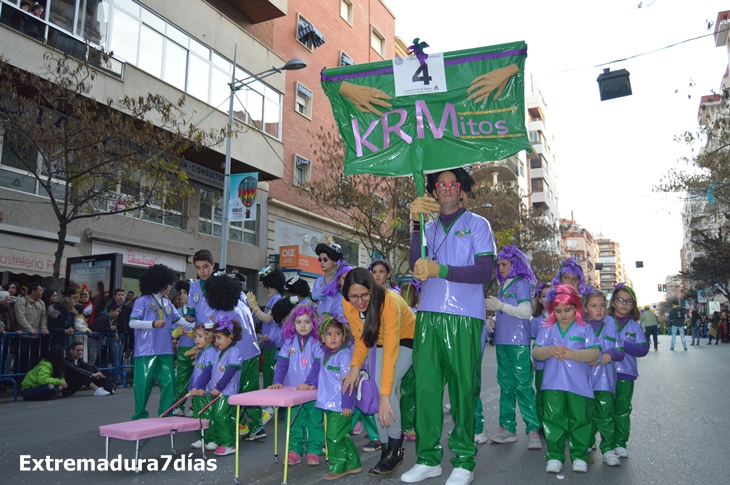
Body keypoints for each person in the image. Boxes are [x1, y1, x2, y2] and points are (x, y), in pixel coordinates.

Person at [401, 168, 495, 485]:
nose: (447, 189)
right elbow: (417, 264)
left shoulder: (478, 225)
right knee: (426, 389)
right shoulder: (426, 227)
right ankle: (428, 459)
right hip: (428, 314)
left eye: (452, 183)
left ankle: (464, 460)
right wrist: (415, 222)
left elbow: (484, 271)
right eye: (440, 184)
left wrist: (441, 269)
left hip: (466, 317)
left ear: (462, 188)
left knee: (463, 390)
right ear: (434, 190)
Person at [341, 268, 416, 476]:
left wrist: (385, 394)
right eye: (354, 296)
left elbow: (392, 349)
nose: (360, 301)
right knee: (375, 391)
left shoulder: (389, 302)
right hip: (378, 342)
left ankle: (396, 448)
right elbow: (361, 339)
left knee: (387, 390)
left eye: (365, 294)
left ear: (373, 288)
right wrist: (355, 367)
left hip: (406, 339)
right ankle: (386, 448)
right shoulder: (347, 303)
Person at [533, 285, 600, 474]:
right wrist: (550, 351)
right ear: (551, 310)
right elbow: (536, 353)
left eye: (568, 309)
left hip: (578, 385)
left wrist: (573, 354)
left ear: (577, 307)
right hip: (552, 384)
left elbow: (595, 352)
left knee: (580, 419)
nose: (563, 314)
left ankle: (579, 456)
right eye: (558, 310)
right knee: (553, 419)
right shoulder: (547, 329)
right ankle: (554, 456)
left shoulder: (585, 329)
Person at [485, 245, 541, 450]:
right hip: (503, 341)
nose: (500, 268)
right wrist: (494, 322)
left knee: (524, 386)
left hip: (518, 343)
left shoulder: (522, 284)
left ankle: (532, 429)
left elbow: (526, 312)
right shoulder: (504, 286)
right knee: (506, 386)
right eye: (499, 264)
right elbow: (512, 312)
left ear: (515, 264)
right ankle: (507, 428)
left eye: (504, 264)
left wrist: (500, 306)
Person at [205, 272, 267, 441]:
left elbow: (219, 340)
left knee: (232, 392)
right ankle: (256, 425)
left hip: (236, 356)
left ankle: (239, 426)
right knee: (250, 390)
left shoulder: (220, 314)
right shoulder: (241, 303)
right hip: (253, 351)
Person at [269, 304, 323, 466]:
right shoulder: (288, 342)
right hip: (292, 392)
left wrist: (310, 383)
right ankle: (295, 450)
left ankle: (314, 450)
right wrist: (277, 382)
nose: (303, 325)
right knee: (294, 422)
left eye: (307, 321)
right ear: (293, 324)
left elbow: (318, 365)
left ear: (314, 323)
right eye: (299, 322)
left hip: (312, 392)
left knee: (314, 421)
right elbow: (282, 363)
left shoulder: (317, 342)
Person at [129, 264, 181, 420]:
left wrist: (197, 324)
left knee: (169, 382)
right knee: (143, 385)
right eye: (168, 283)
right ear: (159, 283)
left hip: (165, 349)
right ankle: (139, 416)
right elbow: (132, 322)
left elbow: (179, 320)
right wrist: (152, 324)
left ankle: (166, 414)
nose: (170, 286)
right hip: (146, 350)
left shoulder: (167, 303)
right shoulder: (143, 301)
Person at [315, 316, 362, 481]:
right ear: (322, 337)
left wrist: (347, 403)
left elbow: (349, 381)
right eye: (328, 334)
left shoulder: (344, 356)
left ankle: (338, 466)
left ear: (344, 336)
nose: (333, 338)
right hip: (331, 403)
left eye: (337, 334)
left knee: (333, 436)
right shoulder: (325, 354)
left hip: (340, 405)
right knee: (342, 435)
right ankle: (353, 463)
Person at [190, 318, 245, 456]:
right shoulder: (219, 352)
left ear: (230, 337)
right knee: (218, 415)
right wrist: (198, 386)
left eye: (219, 338)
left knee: (221, 415)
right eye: (215, 338)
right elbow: (208, 371)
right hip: (220, 391)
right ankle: (224, 440)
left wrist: (219, 388)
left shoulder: (234, 352)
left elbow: (230, 372)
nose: (216, 341)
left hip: (227, 392)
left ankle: (229, 444)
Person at [584, 291, 624, 467]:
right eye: (593, 306)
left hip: (605, 381)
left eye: (602, 305)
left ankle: (607, 448)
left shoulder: (611, 326)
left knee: (606, 414)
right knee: (585, 414)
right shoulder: (580, 327)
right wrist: (586, 357)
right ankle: (585, 442)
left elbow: (620, 352)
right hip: (583, 382)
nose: (599, 309)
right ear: (585, 309)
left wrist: (610, 352)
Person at [608, 284, 648, 459]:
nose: (624, 303)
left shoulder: (635, 327)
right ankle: (603, 443)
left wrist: (625, 345)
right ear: (613, 303)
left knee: (622, 409)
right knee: (602, 408)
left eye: (628, 301)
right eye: (620, 300)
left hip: (626, 373)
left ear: (633, 306)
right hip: (603, 373)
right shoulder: (604, 321)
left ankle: (620, 443)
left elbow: (643, 349)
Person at [246, 267, 285, 389]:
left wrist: (255, 307)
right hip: (268, 340)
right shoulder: (272, 299)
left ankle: (273, 403)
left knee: (271, 373)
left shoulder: (277, 299)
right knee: (268, 371)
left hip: (273, 341)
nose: (263, 286)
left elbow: (268, 318)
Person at [188, 322, 218, 451]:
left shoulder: (211, 352)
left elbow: (207, 372)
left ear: (210, 337)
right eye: (195, 337)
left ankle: (213, 438)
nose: (196, 339)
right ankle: (202, 437)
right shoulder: (201, 352)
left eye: (200, 336)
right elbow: (195, 373)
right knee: (199, 414)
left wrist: (198, 387)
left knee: (209, 415)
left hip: (206, 391)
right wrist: (191, 387)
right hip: (198, 390)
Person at [171, 280, 196, 417]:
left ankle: (195, 406)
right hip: (183, 349)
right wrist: (175, 333)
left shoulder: (199, 311)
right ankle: (178, 405)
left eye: (185, 293)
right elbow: (172, 330)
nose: (181, 296)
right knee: (181, 378)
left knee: (198, 378)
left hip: (199, 349)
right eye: (181, 293)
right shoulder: (178, 311)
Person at [529, 281, 551, 437]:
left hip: (559, 363)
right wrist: (531, 358)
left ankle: (557, 422)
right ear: (540, 300)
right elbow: (531, 341)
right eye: (544, 296)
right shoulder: (536, 321)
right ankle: (542, 424)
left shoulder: (563, 316)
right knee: (541, 394)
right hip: (541, 364)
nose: (548, 299)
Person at [14, 282, 48, 373]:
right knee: (23, 360)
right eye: (40, 290)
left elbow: (44, 317)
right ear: (33, 291)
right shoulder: (22, 301)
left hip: (37, 336)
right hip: (25, 336)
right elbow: (21, 317)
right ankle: (19, 380)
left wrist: (44, 328)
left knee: (34, 359)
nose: (42, 292)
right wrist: (30, 329)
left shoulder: (41, 303)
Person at [312, 239, 345, 315]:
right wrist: (312, 298)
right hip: (320, 323)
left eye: (325, 259)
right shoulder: (317, 282)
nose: (322, 263)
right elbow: (312, 307)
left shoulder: (342, 279)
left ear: (334, 261)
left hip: (338, 322)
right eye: (320, 260)